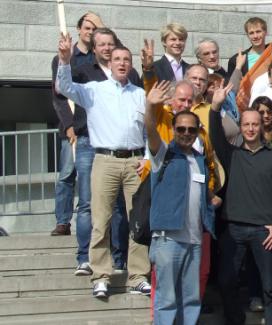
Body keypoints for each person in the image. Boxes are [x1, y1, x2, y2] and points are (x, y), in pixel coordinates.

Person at [55, 34, 150, 298]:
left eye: (126, 60)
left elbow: (149, 132)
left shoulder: (140, 94)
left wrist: (149, 158)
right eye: (117, 58)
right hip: (105, 160)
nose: (121, 63)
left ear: (131, 65)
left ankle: (138, 275)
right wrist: (64, 60)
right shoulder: (95, 89)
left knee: (139, 221)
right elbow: (64, 88)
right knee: (101, 220)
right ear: (109, 61)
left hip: (135, 162)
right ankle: (100, 275)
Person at [208, 85, 272, 325]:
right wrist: (215, 106)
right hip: (234, 229)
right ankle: (235, 320)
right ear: (241, 128)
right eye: (246, 125)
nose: (251, 129)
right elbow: (215, 134)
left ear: (262, 126)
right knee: (226, 281)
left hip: (266, 231)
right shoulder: (231, 155)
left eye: (255, 124)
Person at [144, 81, 218, 324]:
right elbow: (152, 132)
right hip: (168, 239)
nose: (186, 134)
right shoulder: (163, 154)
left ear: (197, 132)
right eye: (181, 129)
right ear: (174, 129)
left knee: (191, 299)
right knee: (166, 300)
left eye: (191, 130)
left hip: (194, 240)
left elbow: (198, 192)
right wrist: (150, 107)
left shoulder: (198, 160)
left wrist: (210, 205)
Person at [50, 11, 103, 237]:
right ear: (79, 30)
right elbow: (59, 96)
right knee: (66, 174)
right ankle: (63, 221)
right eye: (87, 28)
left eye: (94, 29)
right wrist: (69, 125)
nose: (90, 32)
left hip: (94, 130)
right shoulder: (64, 58)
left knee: (90, 178)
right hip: (72, 127)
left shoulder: (98, 59)